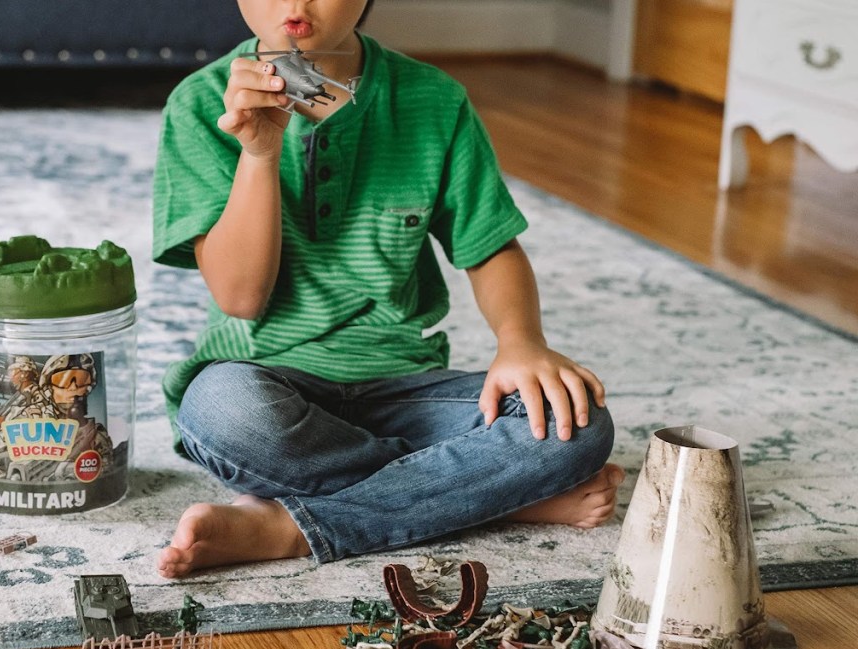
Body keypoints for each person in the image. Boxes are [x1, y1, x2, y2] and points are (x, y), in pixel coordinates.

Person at [152, 0, 625, 578]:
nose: (296, 4)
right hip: (263, 381)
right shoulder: (200, 105)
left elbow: (490, 248)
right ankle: (493, 494)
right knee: (223, 411)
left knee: (576, 425)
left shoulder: (433, 99)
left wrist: (521, 342)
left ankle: (287, 526)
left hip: (404, 388)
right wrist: (259, 152)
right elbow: (241, 298)